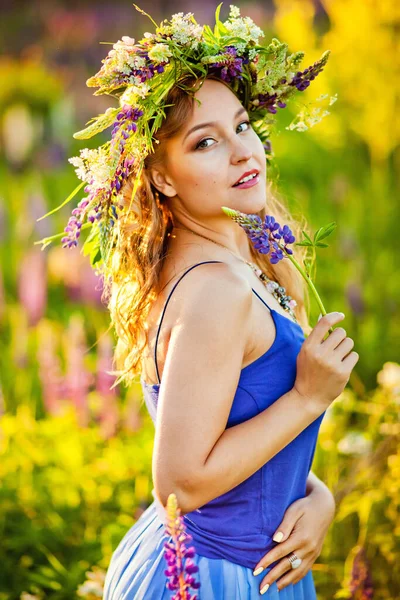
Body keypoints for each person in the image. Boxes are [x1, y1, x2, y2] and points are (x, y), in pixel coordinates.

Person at [41, 6, 358, 598]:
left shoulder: (238, 257)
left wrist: (317, 495)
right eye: (205, 141)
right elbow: (180, 486)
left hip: (249, 561)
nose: (243, 151)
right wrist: (308, 397)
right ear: (162, 178)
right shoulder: (215, 290)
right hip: (214, 575)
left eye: (242, 126)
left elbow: (235, 428)